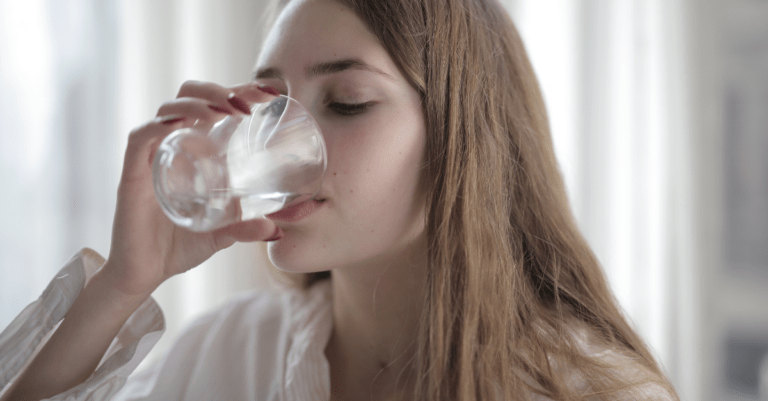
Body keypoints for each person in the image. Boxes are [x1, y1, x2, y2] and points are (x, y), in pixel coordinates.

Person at [0, 0, 679, 399]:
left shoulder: (591, 391)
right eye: (271, 104)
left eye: (347, 102)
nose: (281, 145)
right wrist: (120, 284)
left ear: (459, 140)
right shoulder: (226, 354)